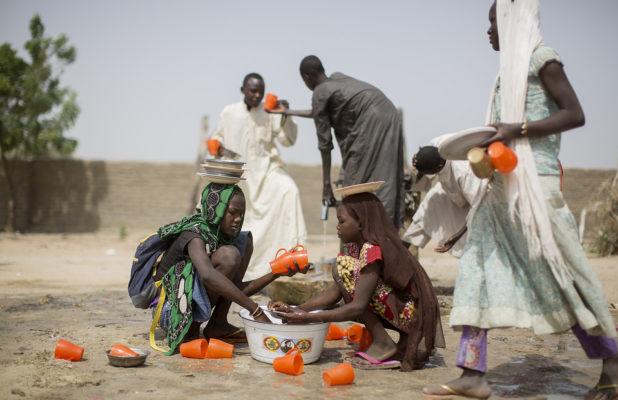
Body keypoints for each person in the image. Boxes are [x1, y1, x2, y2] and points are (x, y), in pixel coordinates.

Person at [422, 2, 618, 399]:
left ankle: (613, 358)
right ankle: (472, 373)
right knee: (477, 271)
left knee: (563, 278)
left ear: (511, 22)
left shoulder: (542, 59)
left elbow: (575, 114)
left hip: (535, 189)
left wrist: (516, 128)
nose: (488, 31)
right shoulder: (509, 71)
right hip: (501, 189)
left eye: (492, 22)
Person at [272, 189, 444, 371]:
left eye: (342, 221)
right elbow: (334, 293)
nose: (338, 226)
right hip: (402, 311)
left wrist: (307, 318)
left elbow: (357, 307)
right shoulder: (358, 248)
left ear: (361, 222)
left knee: (343, 267)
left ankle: (383, 343)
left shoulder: (372, 249)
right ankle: (388, 342)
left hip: (411, 315)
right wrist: (297, 309)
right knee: (343, 268)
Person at [150, 182, 303, 350]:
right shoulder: (194, 234)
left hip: (193, 301)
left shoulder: (220, 237)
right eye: (232, 212)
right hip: (172, 312)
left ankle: (218, 323)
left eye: (242, 214)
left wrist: (276, 273)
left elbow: (233, 290)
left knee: (244, 242)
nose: (238, 219)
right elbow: (208, 275)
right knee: (229, 256)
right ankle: (188, 329)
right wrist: (255, 310)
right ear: (216, 210)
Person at [272, 56, 405, 227]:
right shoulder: (336, 79)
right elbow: (319, 112)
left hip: (370, 120)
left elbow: (325, 145)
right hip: (388, 112)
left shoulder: (320, 91)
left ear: (306, 77)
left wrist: (326, 185)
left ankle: (368, 235)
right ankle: (387, 230)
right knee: (386, 175)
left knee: (354, 184)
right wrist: (288, 111)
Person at [213, 73, 307, 280]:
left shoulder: (269, 111)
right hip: (240, 173)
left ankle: (291, 260)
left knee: (289, 190)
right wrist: (218, 148)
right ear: (243, 90)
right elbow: (217, 138)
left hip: (267, 171)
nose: (257, 95)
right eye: (252, 91)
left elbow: (288, 140)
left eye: (260, 92)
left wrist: (285, 114)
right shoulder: (229, 113)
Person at [403, 146, 480, 256]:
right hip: (457, 198)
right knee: (428, 207)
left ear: (438, 166)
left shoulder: (463, 173)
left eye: (427, 172)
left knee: (474, 245)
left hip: (482, 205)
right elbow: (421, 183)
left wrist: (457, 236)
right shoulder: (437, 155)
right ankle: (402, 246)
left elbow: (478, 207)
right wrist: (419, 162)